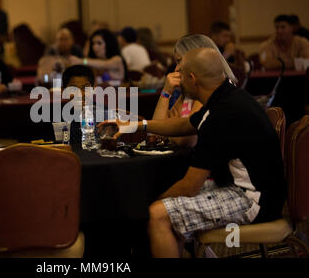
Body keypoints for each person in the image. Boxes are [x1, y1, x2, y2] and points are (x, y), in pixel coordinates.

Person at [100, 47, 287, 258]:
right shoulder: (228, 97)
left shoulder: (220, 116)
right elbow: (184, 125)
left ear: (192, 78)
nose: (177, 77)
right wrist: (132, 125)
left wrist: (152, 203)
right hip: (257, 190)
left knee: (157, 214)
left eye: (181, 73)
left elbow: (190, 187)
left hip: (254, 201)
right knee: (163, 200)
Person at [152, 34, 237, 147]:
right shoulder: (190, 91)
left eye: (179, 61)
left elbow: (187, 141)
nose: (176, 69)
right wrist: (166, 92)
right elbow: (157, 133)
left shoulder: (214, 90)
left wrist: (169, 132)